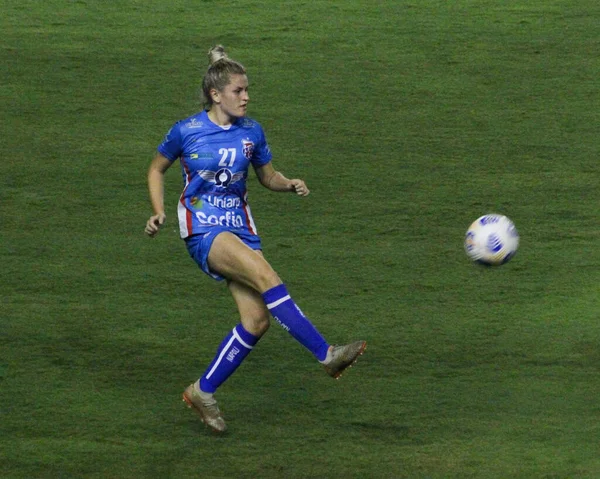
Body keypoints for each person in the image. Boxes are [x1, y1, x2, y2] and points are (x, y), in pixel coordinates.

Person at [144, 45, 366, 433]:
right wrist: (159, 210)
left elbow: (266, 176)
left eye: (247, 90)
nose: (246, 97)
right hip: (204, 228)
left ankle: (202, 391)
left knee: (257, 320)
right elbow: (156, 168)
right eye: (238, 90)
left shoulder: (252, 131)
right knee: (268, 279)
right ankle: (326, 354)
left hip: (241, 227)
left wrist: (288, 183)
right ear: (216, 95)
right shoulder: (187, 131)